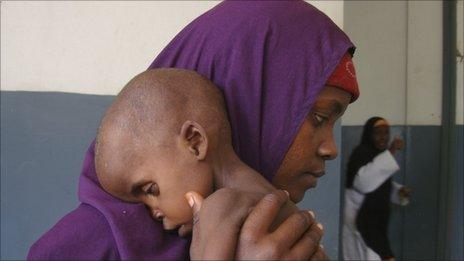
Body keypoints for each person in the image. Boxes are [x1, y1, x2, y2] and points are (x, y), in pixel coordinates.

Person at [28, 1, 359, 260]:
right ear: (249, 98)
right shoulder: (78, 251)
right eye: (318, 117)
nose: (331, 148)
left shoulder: (276, 235)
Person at [94, 68, 315, 238]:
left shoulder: (220, 210)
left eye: (151, 190)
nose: (154, 213)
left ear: (195, 142)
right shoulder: (273, 197)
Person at [342, 117, 411, 261]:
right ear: (369, 134)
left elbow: (380, 185)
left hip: (375, 222)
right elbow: (363, 183)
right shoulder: (360, 153)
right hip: (361, 221)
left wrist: (398, 192)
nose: (383, 137)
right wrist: (391, 151)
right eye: (377, 133)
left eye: (386, 133)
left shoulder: (379, 155)